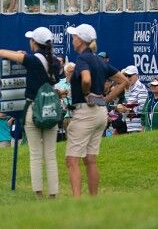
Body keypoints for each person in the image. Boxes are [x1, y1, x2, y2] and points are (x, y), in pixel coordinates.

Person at [64, 23, 126, 198]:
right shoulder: (99, 59)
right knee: (90, 160)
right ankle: (93, 201)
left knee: (72, 160)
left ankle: (77, 203)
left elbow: (86, 79)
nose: (72, 39)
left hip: (85, 112)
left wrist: (86, 93)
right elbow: (123, 81)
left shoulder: (82, 59)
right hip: (100, 112)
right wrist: (105, 99)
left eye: (74, 36)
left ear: (81, 41)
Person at [117, 66, 148, 132]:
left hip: (138, 127)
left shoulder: (140, 88)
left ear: (136, 75)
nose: (127, 78)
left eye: (129, 75)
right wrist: (121, 108)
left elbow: (143, 108)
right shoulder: (130, 88)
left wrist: (126, 109)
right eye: (126, 76)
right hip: (131, 126)